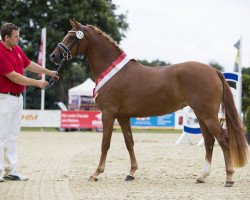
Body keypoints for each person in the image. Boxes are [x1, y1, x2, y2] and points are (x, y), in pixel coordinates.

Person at [0, 22, 59, 182]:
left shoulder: (16, 49)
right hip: (3, 99)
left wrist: (48, 72)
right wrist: (37, 83)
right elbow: (13, 76)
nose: (18, 39)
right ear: (6, 37)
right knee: (1, 136)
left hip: (17, 98)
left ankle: (10, 169)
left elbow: (29, 64)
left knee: (12, 135)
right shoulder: (0, 52)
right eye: (16, 36)